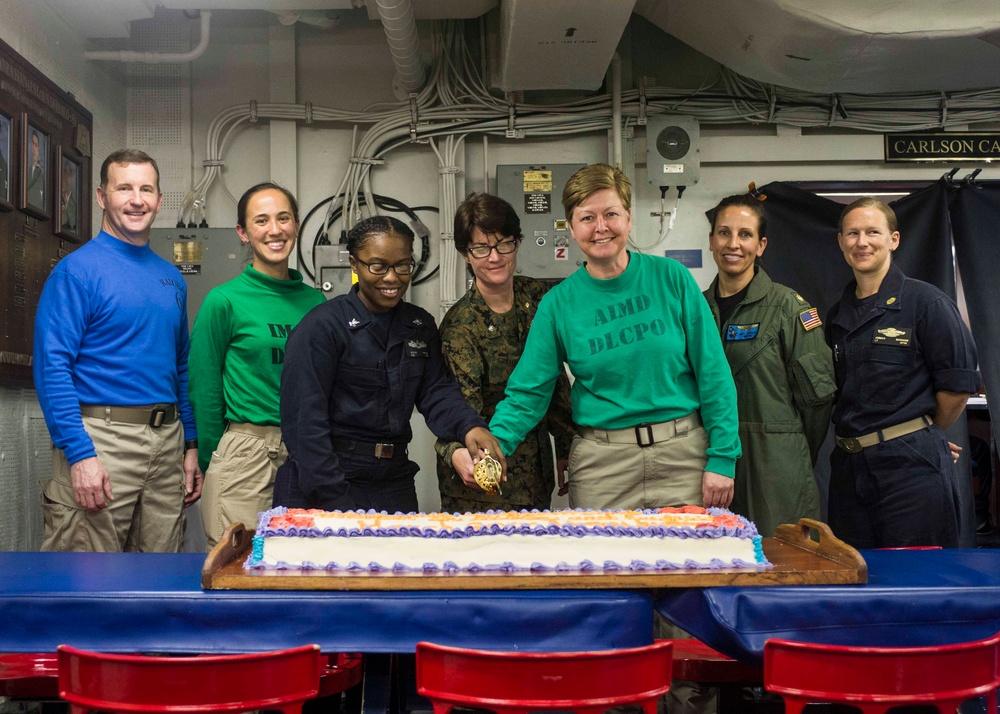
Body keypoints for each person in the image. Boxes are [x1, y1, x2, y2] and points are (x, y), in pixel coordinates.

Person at [489, 164, 740, 512]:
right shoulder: (557, 305)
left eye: (611, 214)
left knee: (690, 565)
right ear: (572, 228)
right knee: (604, 565)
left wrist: (723, 457)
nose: (601, 227)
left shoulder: (672, 279)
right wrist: (492, 447)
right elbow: (527, 393)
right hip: (601, 468)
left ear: (629, 218)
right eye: (587, 218)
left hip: (683, 458)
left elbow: (713, 372)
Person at [274, 215, 506, 513]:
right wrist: (336, 501)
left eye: (403, 266)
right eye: (378, 266)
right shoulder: (322, 327)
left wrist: (469, 427)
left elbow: (436, 392)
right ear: (354, 264)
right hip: (328, 479)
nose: (392, 278)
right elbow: (304, 426)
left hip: (392, 480)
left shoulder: (418, 324)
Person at [33, 149, 202, 552]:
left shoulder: (171, 278)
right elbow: (52, 367)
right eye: (124, 188)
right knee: (89, 581)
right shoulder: (77, 271)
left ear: (160, 199)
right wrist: (79, 455)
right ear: (101, 196)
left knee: (161, 582)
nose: (136, 199)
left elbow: (179, 367)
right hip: (101, 442)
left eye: (146, 189)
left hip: (167, 444)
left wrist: (190, 445)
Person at [826, 197, 980, 548]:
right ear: (841, 242)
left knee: (916, 576)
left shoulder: (926, 303)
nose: (861, 242)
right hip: (849, 469)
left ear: (893, 239)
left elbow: (957, 385)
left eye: (872, 232)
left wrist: (924, 435)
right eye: (852, 233)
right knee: (858, 575)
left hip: (910, 472)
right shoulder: (837, 314)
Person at [189, 183, 326, 548]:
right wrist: (213, 460)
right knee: (238, 570)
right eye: (261, 221)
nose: (274, 229)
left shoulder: (316, 302)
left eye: (283, 218)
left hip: (306, 451)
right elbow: (204, 389)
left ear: (296, 225)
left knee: (301, 569)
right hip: (246, 451)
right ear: (243, 233)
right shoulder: (224, 301)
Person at [703, 194, 835, 538]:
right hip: (710, 464)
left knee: (782, 561)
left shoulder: (788, 309)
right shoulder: (695, 309)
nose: (733, 244)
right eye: (724, 233)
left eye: (745, 235)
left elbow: (817, 403)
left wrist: (786, 445)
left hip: (776, 467)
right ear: (711, 241)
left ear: (761, 245)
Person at [435, 193, 576, 513]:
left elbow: (555, 380)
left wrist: (567, 448)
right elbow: (454, 410)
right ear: (465, 254)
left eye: (504, 244)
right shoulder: (460, 326)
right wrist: (457, 453)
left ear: (517, 243)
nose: (495, 256)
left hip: (534, 476)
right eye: (481, 248)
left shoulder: (540, 299)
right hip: (477, 481)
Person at [27, 129, 44, 208]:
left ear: (38, 149)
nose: (33, 148)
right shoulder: (26, 171)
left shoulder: (42, 176)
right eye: (32, 144)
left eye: (36, 145)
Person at [61, 159, 78, 232]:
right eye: (65, 173)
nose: (67, 179)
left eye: (69, 174)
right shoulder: (55, 199)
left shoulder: (75, 206)